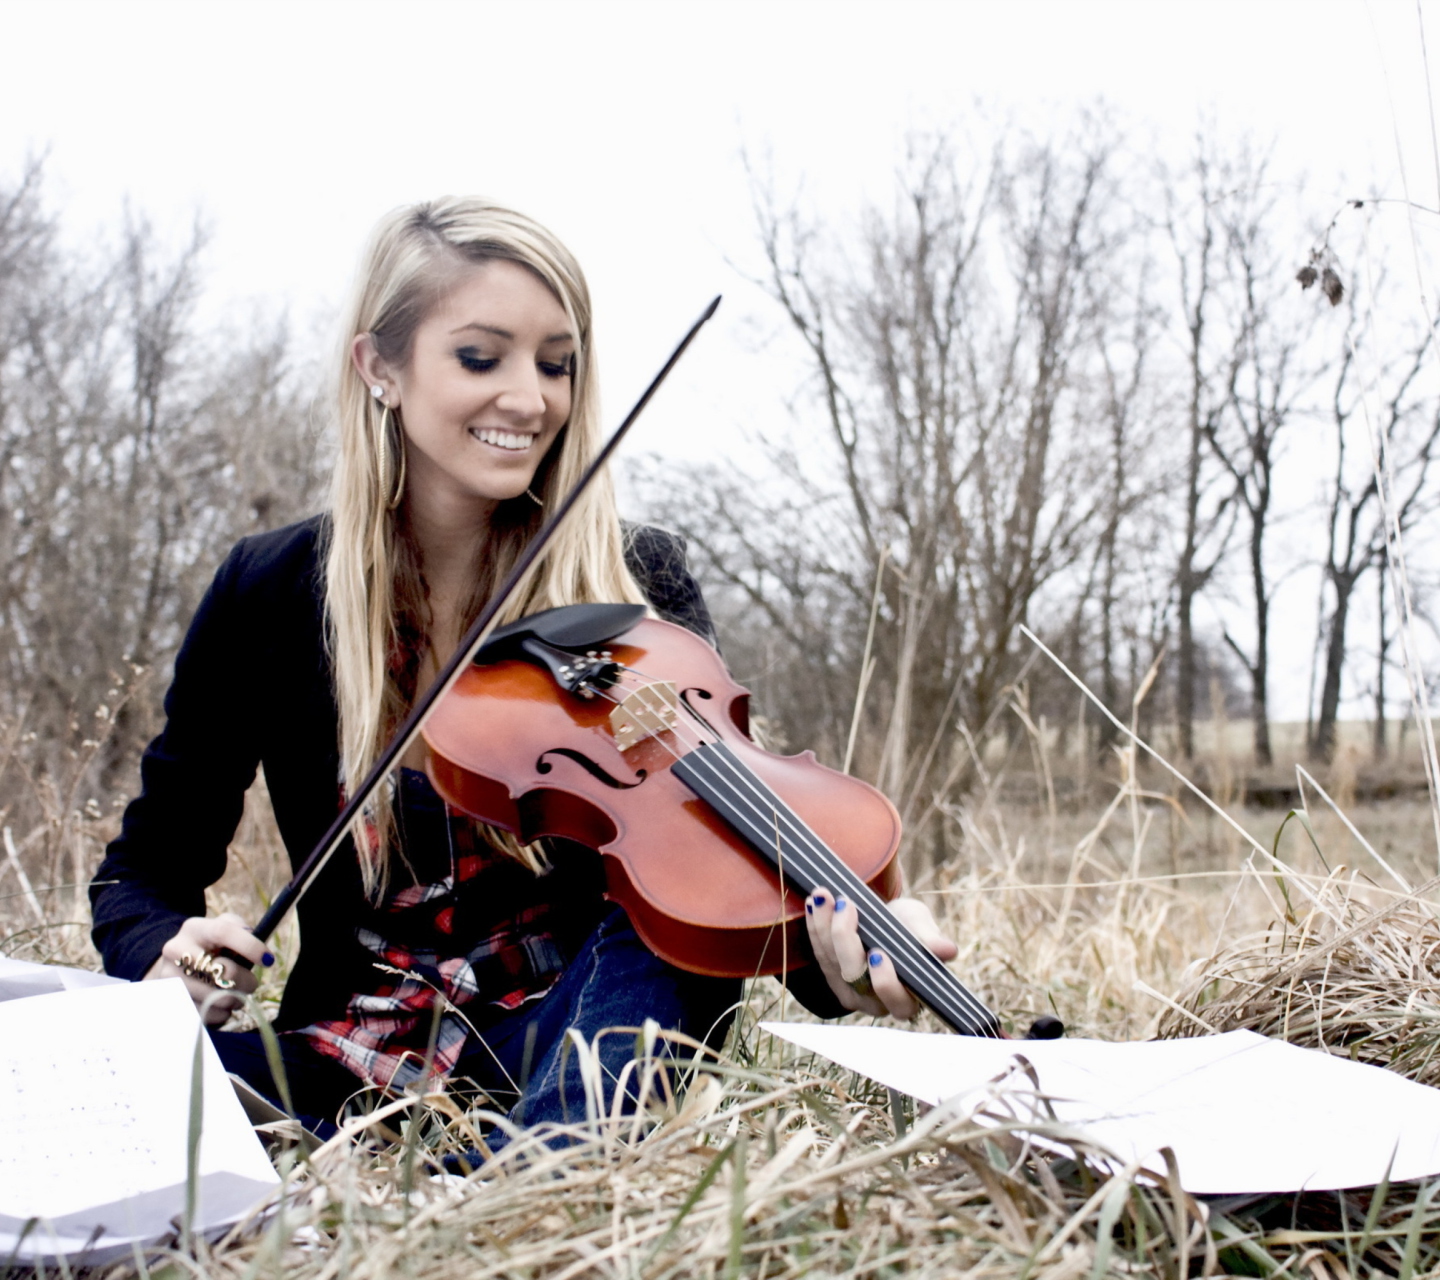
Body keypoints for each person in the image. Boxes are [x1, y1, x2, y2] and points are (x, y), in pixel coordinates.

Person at [89, 197, 958, 1142]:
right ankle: (492, 1169)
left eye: (557, 364)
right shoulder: (269, 589)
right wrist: (160, 950)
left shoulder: (639, 581)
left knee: (663, 933)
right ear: (380, 367)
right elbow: (145, 871)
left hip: (578, 1032)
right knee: (93, 1074)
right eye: (480, 356)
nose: (530, 398)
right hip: (345, 1048)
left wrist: (843, 948)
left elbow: (717, 865)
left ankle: (539, 1173)